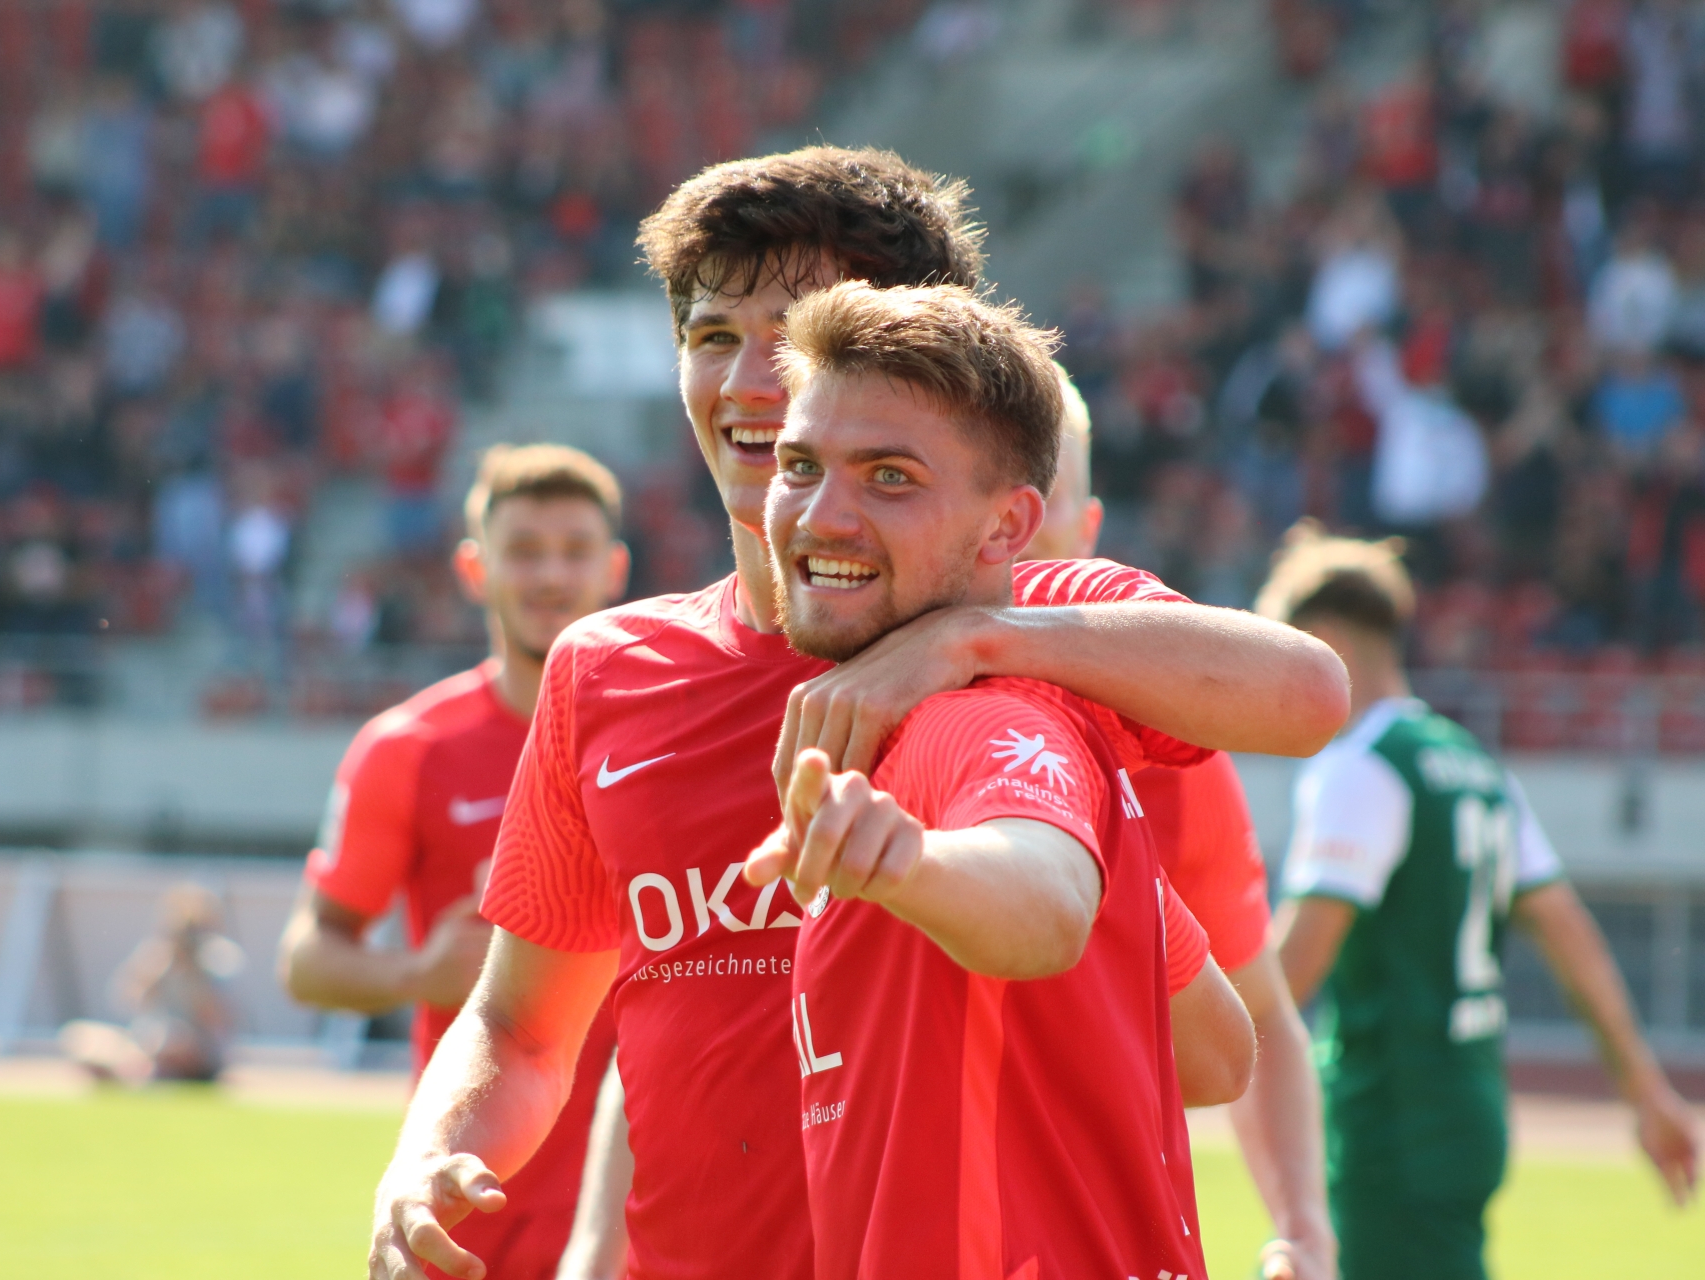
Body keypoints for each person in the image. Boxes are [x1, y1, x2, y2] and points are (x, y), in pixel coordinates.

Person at [367, 146, 1349, 1280]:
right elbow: (523, 1027)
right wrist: (424, 1155)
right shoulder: (607, 670)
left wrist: (966, 642)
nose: (748, 381)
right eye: (711, 335)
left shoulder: (1037, 631)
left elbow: (1306, 699)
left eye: (794, 335)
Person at [739, 279, 1251, 1280]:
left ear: (1008, 527)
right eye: (799, 466)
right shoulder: (989, 710)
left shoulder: (974, 716)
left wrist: (913, 865)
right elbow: (1216, 1050)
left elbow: (1044, 905)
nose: (821, 514)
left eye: (889, 477)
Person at [1264, 523, 1701, 1280]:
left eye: (1279, 653)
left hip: (1390, 1120)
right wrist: (1644, 1089)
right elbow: (1568, 932)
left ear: (1324, 642)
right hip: (1470, 1110)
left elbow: (1292, 971)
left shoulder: (1362, 768)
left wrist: (1175, 1052)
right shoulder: (1474, 763)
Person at [280, 444, 627, 1278]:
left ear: (614, 569)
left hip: (645, 1199)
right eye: (525, 550)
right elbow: (306, 959)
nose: (552, 574)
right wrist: (416, 973)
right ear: (475, 569)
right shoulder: (409, 748)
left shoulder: (666, 736)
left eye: (575, 550)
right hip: (474, 1198)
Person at [1023, 374, 1335, 1280]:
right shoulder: (836, 702)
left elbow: (1259, 1019)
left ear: (1087, 530)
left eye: (1039, 496)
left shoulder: (1174, 756)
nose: (1011, 526)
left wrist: (1304, 1231)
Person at [59, 883, 243, 1085]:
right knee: (80, 1037)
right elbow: (128, 997)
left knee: (174, 1040)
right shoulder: (158, 954)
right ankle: (138, 1072)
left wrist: (193, 974)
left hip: (196, 1051)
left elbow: (218, 1020)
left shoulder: (217, 958)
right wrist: (159, 969)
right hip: (148, 1043)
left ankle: (139, 1074)